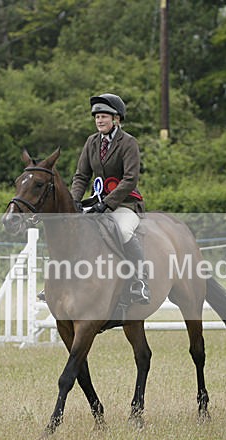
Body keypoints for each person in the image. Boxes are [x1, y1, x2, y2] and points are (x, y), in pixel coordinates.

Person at [70, 93, 150, 304]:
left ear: (116, 119)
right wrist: (74, 201)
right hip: (97, 202)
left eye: (104, 116)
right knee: (73, 229)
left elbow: (130, 179)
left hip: (125, 204)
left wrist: (107, 204)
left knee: (123, 231)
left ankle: (140, 281)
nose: (99, 120)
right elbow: (81, 176)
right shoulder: (91, 142)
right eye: (96, 116)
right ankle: (64, 283)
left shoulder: (128, 143)